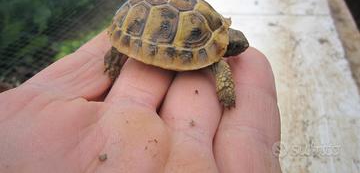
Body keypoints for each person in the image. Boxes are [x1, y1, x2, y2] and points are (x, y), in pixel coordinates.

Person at [0, 31, 281, 173]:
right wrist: (227, 93)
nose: (239, 49)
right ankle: (115, 54)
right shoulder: (218, 60)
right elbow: (220, 68)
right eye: (237, 47)